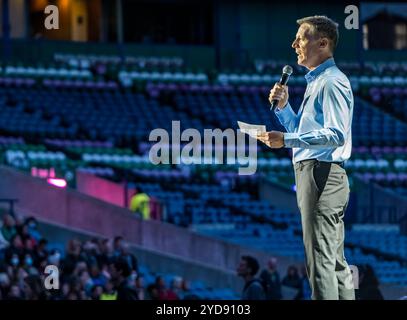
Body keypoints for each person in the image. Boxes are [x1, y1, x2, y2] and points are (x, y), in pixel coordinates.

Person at [258, 15, 355, 300]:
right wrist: (285, 108)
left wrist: (286, 140)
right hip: (322, 173)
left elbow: (336, 134)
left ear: (322, 43)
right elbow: (303, 131)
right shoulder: (318, 82)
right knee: (334, 262)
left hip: (320, 174)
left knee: (320, 262)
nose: (294, 44)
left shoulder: (331, 82)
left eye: (301, 37)